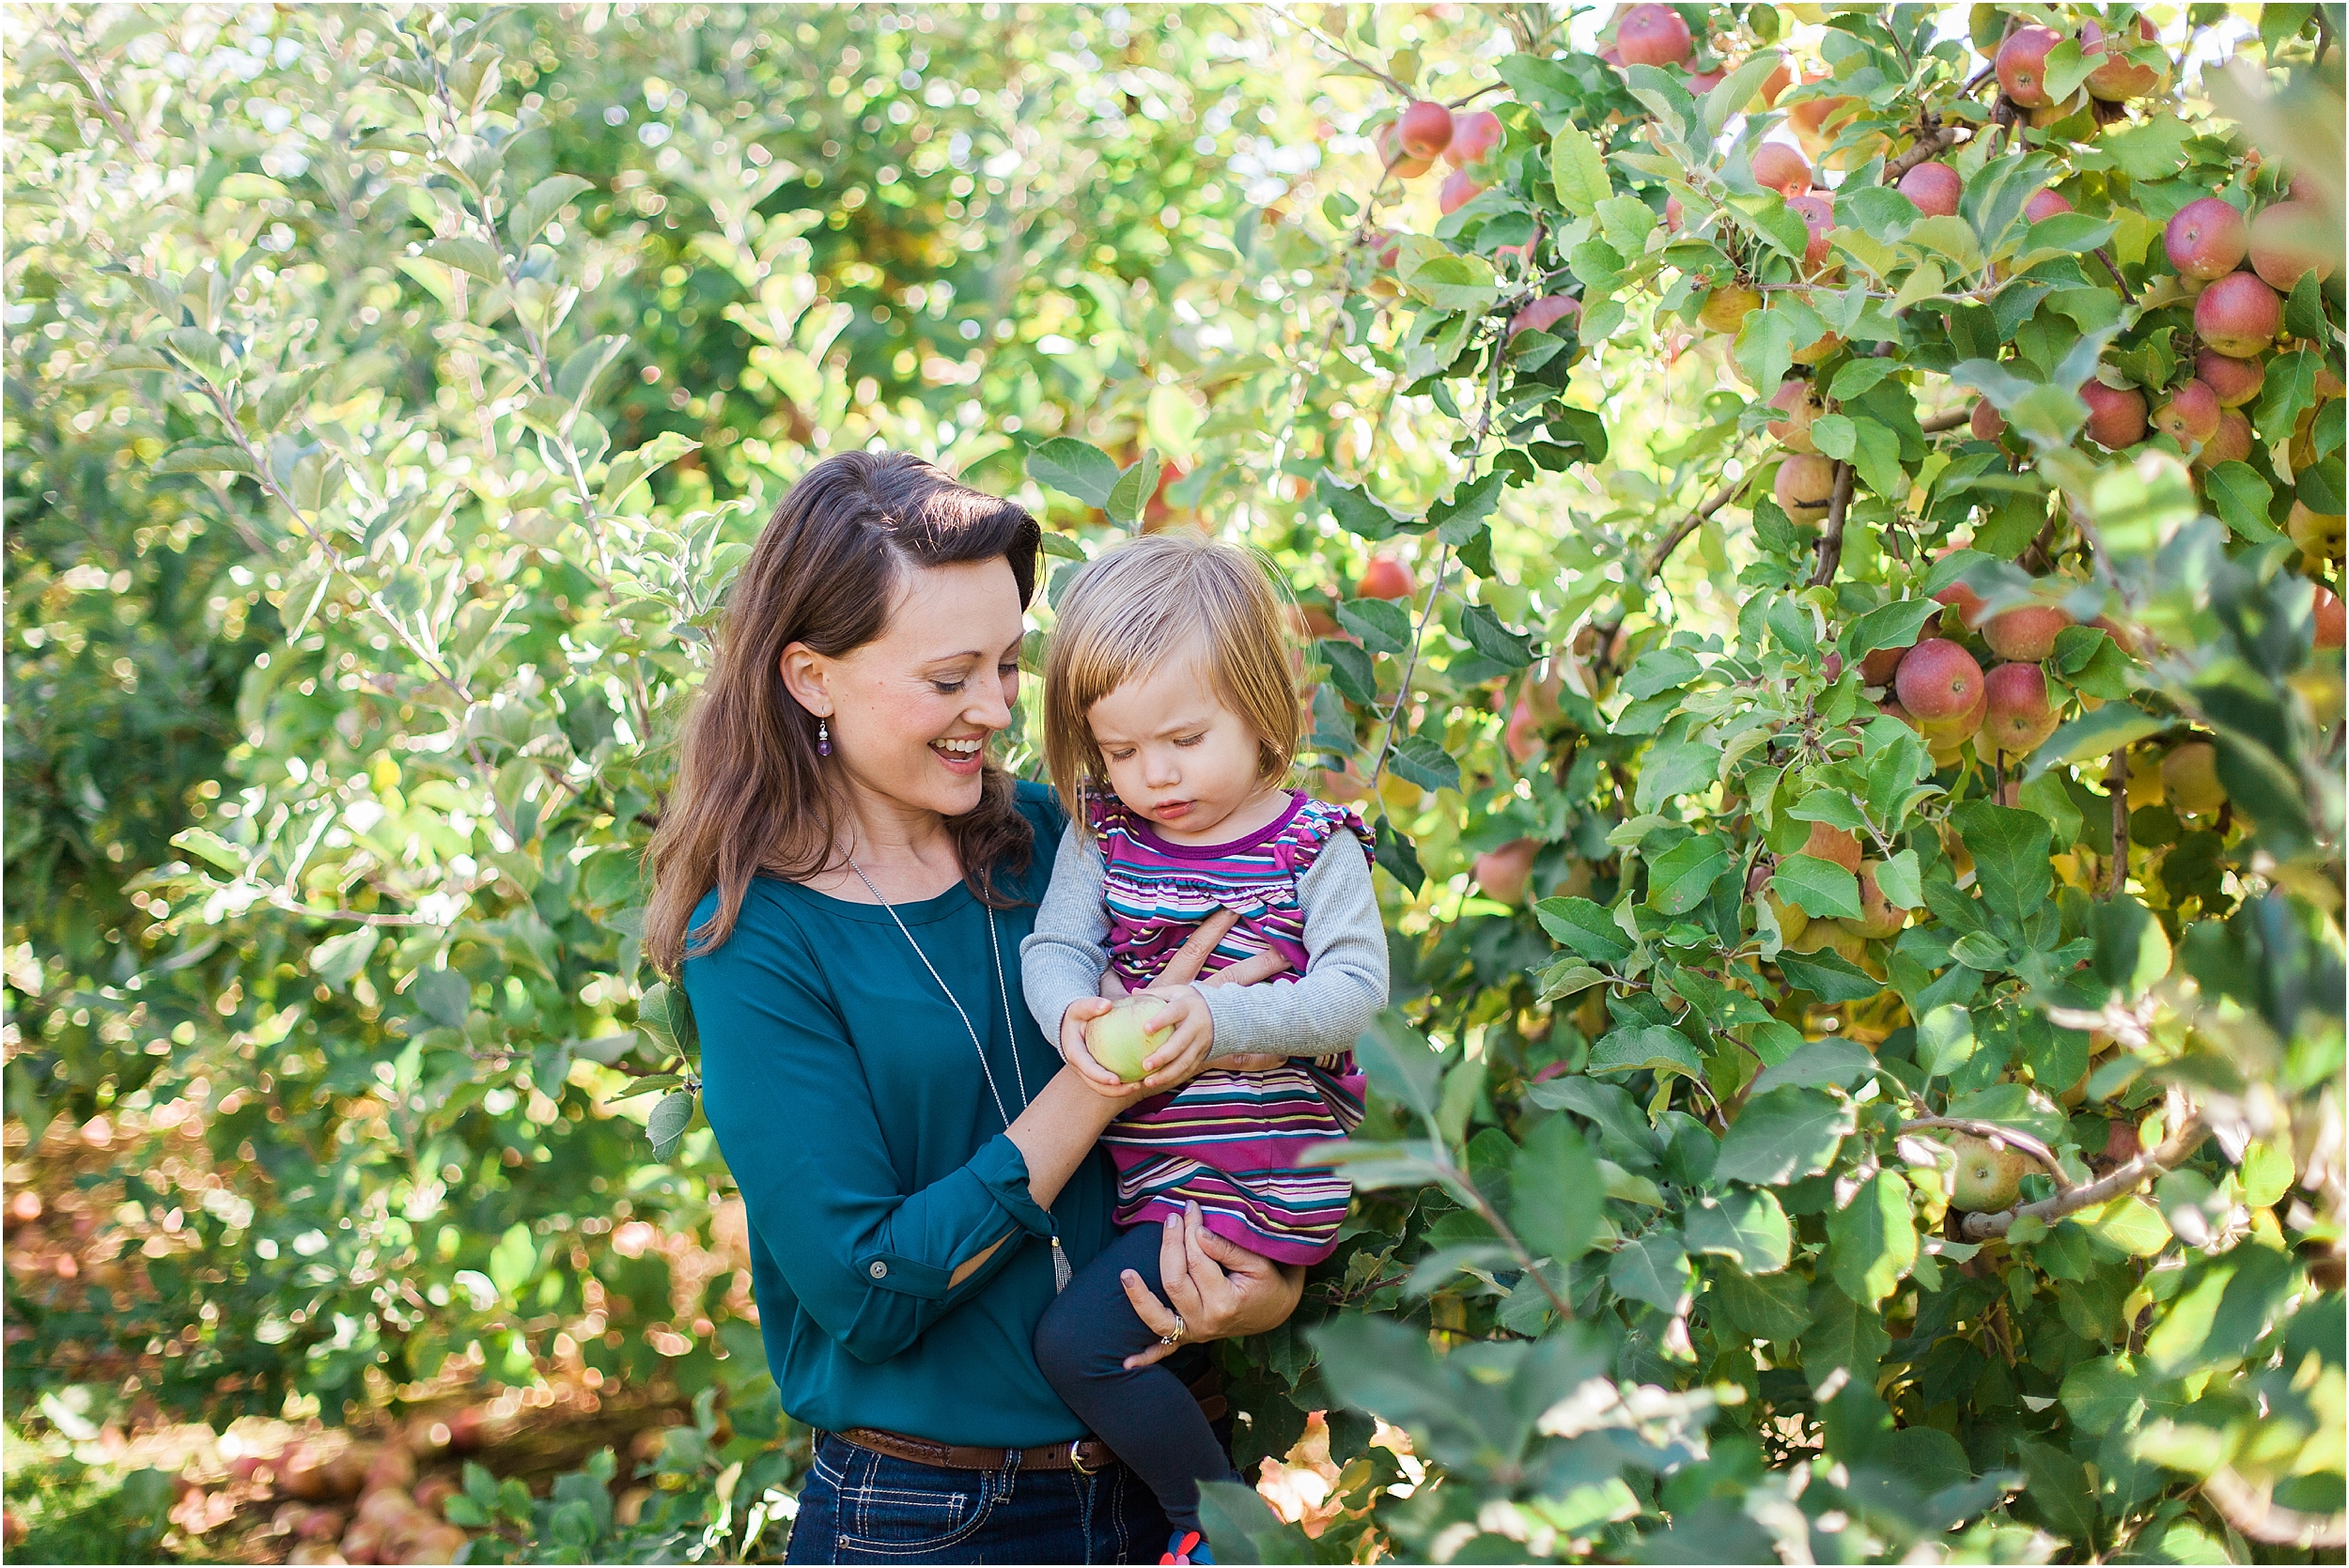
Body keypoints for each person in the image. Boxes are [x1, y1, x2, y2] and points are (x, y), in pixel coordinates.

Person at [647, 453, 1305, 1564]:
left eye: (1008, 664)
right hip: (934, 1521)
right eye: (950, 678)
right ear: (811, 676)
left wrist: (1266, 1283)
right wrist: (1101, 1075)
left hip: (1168, 1479)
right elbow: (871, 1288)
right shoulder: (756, 940)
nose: (996, 710)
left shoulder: (1067, 841)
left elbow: (1274, 1086)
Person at [1021, 534, 1390, 1565]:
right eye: (1123, 751)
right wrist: (1072, 1018)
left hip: (1250, 1172)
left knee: (1078, 1345)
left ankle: (1219, 1526)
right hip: (1159, 1172)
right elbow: (1056, 944)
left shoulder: (1312, 845)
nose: (1155, 775)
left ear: (1263, 706)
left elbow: (1355, 992)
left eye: (1183, 738)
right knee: (1106, 1334)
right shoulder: (1107, 831)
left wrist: (1220, 1023)